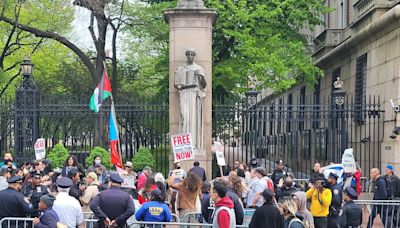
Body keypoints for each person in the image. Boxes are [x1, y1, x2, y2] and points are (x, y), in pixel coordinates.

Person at [174, 48, 207, 150]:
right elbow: (176, 85)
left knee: (193, 120)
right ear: (186, 55)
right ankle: (184, 147)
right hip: (184, 95)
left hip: (194, 95)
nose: (190, 56)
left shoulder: (199, 68)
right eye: (188, 54)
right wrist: (188, 86)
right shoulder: (181, 69)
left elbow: (204, 85)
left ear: (194, 56)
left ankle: (193, 144)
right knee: (185, 118)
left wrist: (201, 76)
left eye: (192, 54)